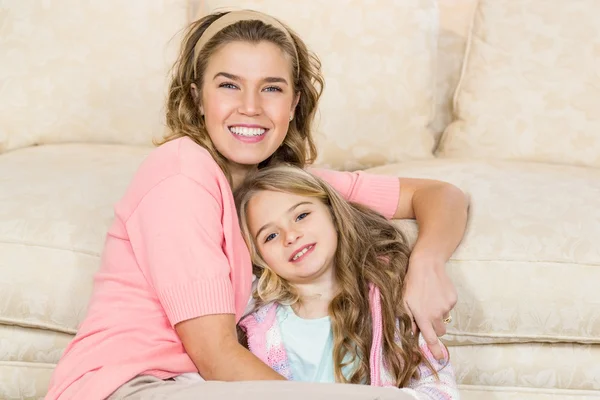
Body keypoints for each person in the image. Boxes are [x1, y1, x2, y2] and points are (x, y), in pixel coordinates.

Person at [46, 9, 468, 400]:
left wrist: (426, 265)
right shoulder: (180, 174)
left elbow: (441, 195)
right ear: (197, 98)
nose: (250, 107)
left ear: (294, 103)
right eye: (229, 85)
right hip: (134, 385)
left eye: (271, 88)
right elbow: (216, 357)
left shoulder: (287, 188)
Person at [229, 165, 459, 399]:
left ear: (332, 213)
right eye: (270, 236)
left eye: (301, 216)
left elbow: (440, 385)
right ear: (257, 257)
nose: (291, 236)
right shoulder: (259, 328)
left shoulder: (388, 298)